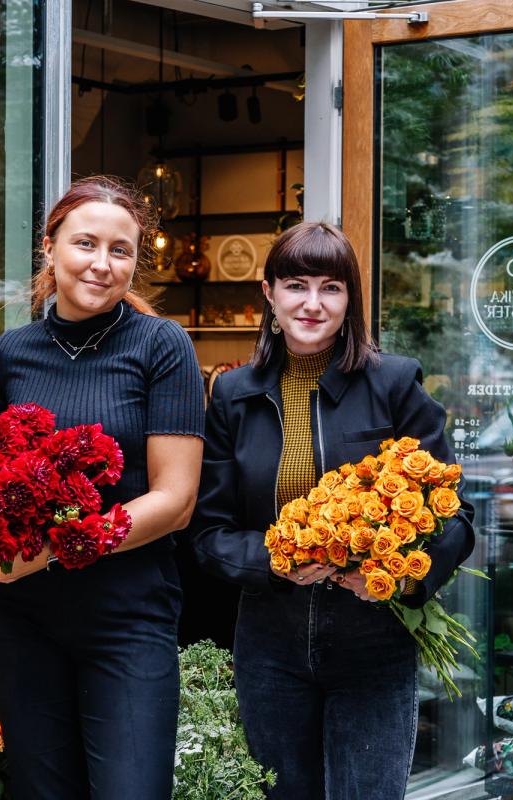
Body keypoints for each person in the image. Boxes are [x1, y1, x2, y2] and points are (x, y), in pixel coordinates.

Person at [188, 222, 475, 800]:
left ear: (351, 300)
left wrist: (394, 580)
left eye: (331, 288)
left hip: (373, 642)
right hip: (270, 643)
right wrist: (274, 560)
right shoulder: (233, 395)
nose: (313, 304)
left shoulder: (393, 383)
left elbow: (458, 521)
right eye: (296, 285)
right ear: (268, 294)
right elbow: (208, 533)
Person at [0, 176, 205, 799]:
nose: (103, 264)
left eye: (121, 250)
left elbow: (176, 501)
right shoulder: (10, 353)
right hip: (23, 619)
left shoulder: (163, 346)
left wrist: (56, 550)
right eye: (85, 243)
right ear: (49, 249)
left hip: (127, 616)